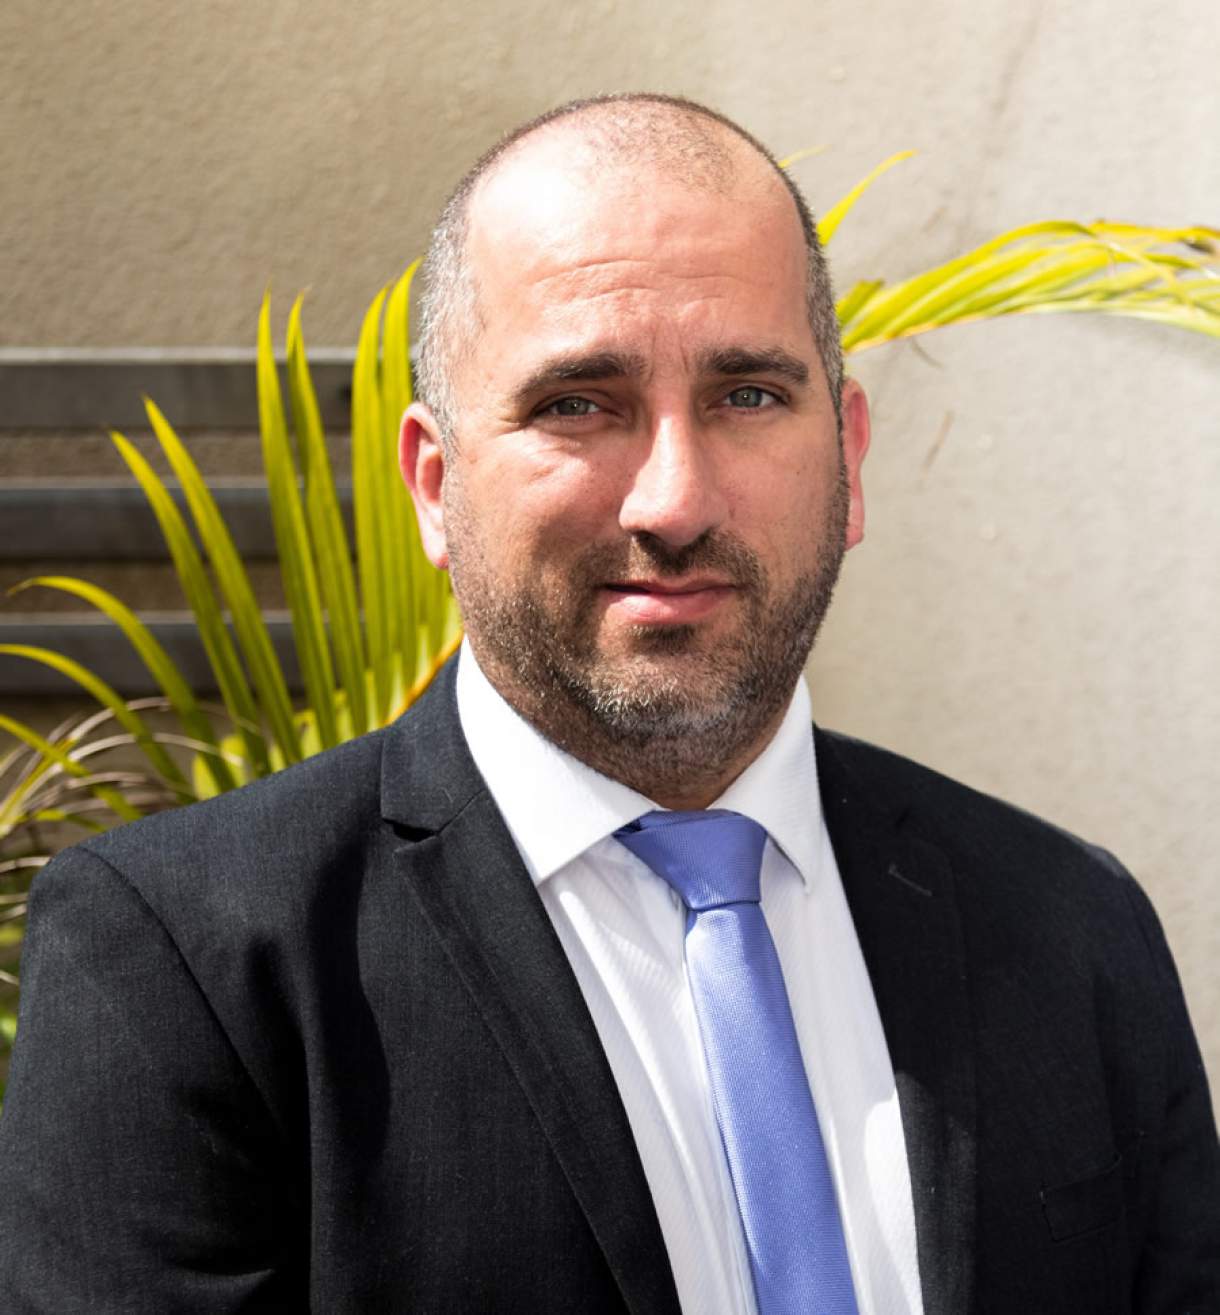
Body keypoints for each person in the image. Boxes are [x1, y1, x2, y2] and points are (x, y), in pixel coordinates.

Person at [0, 93, 1216, 1315]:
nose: (673, 502)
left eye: (747, 395)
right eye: (577, 404)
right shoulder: (186, 965)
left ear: (847, 460)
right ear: (433, 484)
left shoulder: (1068, 922)